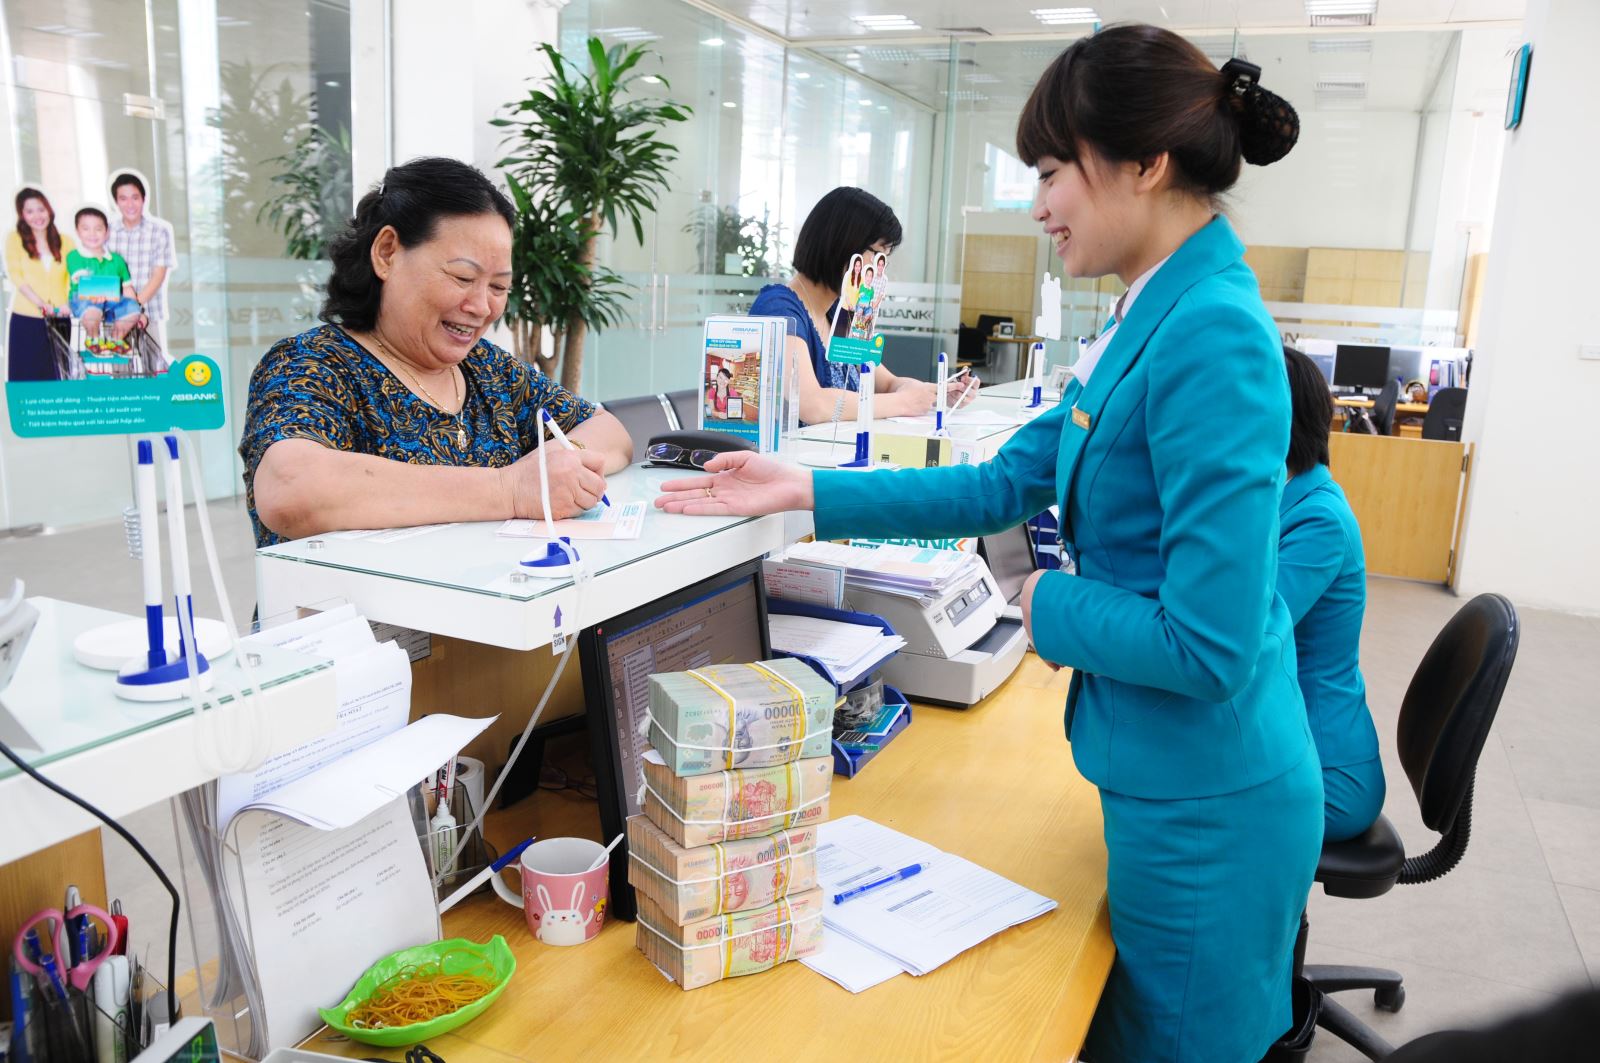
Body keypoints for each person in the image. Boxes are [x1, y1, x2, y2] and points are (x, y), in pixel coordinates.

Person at [659, 26, 1314, 1062]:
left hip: (1208, 803)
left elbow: (1210, 644)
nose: (1039, 206)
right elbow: (1003, 482)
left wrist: (1042, 603)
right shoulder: (1152, 310)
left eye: (1052, 172)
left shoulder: (1212, 332)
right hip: (1164, 771)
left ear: (1145, 164)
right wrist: (807, 489)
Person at [240, 157, 633, 547]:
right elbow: (291, 489)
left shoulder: (489, 369)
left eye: (499, 287)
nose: (481, 306)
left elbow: (609, 431)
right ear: (387, 253)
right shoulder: (312, 363)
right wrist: (509, 488)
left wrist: (563, 462)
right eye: (462, 277)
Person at [749, 187, 974, 426]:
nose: (880, 269)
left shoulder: (840, 312)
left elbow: (887, 383)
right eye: (878, 255)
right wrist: (905, 402)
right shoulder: (778, 310)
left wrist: (934, 393)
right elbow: (812, 405)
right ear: (843, 244)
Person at [1281, 347, 1386, 842]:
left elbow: (1240, 629)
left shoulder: (1318, 520)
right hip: (1289, 741)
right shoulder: (1287, 499)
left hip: (1328, 776)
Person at [5, 188, 74, 381]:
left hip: (60, 318)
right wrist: (41, 304)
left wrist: (68, 303)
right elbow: (16, 275)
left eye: (41, 209)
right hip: (27, 319)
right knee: (26, 377)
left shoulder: (66, 241)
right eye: (30, 211)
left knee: (58, 376)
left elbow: (73, 278)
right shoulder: (14, 239)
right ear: (22, 215)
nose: (37, 216)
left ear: (49, 210)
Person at [105, 172, 176, 357]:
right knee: (120, 369)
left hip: (149, 313)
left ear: (144, 199)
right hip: (116, 315)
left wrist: (133, 308)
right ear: (116, 202)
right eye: (123, 198)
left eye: (135, 198)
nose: (130, 204)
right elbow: (103, 274)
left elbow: (158, 275)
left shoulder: (159, 231)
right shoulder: (107, 232)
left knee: (153, 369)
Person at [67, 207, 145, 343]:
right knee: (92, 311)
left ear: (107, 232)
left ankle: (114, 341)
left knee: (132, 309)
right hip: (84, 299)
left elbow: (127, 288)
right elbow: (83, 281)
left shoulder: (117, 260)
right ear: (77, 232)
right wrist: (98, 293)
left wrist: (138, 311)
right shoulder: (75, 256)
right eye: (86, 229)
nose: (92, 234)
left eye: (98, 229)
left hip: (112, 301)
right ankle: (94, 340)